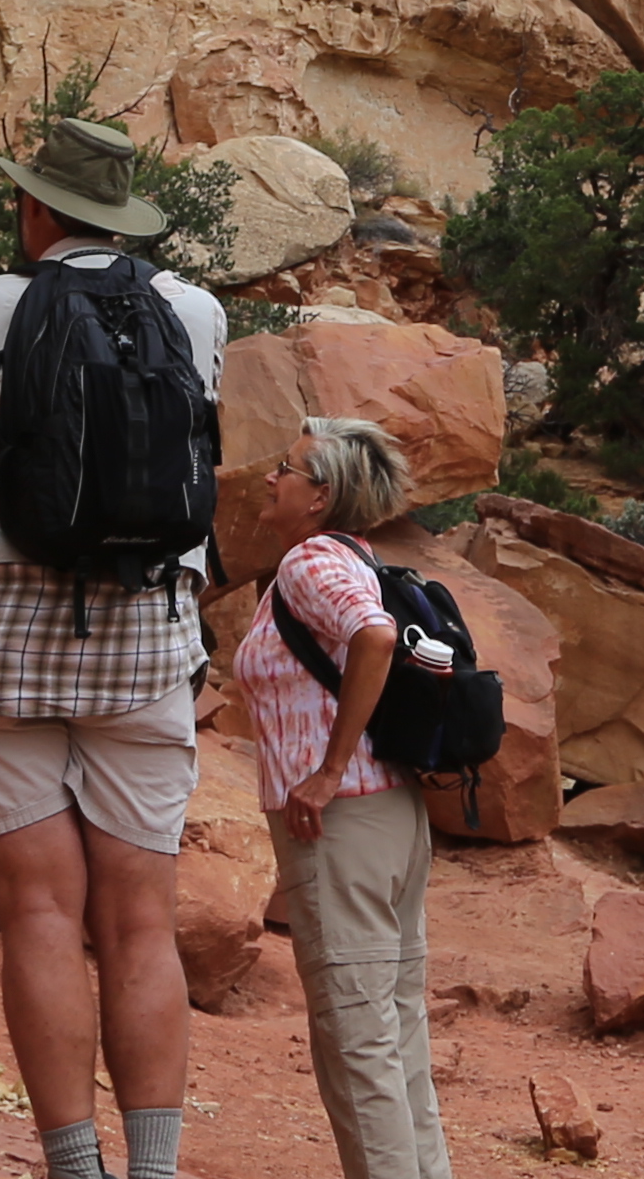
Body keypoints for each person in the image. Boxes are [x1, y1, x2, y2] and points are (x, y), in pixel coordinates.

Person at [0, 115, 227, 1179]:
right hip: (143, 633)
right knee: (142, 919)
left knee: (39, 907)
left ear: (38, 209)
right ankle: (154, 1168)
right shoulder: (195, 309)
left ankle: (74, 1167)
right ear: (124, 217)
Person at [239, 415, 452, 1179]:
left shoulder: (309, 561)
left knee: (357, 1041)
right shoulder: (359, 557)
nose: (271, 478)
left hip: (344, 823)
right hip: (391, 813)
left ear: (320, 495)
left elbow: (374, 637)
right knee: (395, 1034)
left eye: (287, 469)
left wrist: (326, 771)